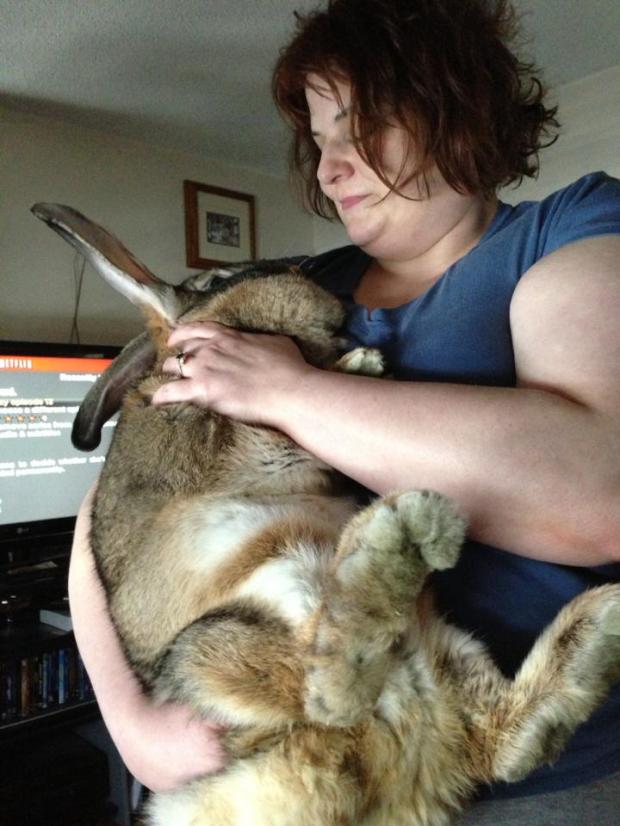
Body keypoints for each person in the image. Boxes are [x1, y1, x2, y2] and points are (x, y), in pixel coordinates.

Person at [68, 0, 620, 821]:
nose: (329, 169)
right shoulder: (290, 289)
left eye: (360, 127)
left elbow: (594, 495)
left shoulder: (569, 228)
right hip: (297, 751)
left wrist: (289, 390)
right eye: (322, 140)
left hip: (542, 777)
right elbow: (125, 493)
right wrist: (131, 718)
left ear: (456, 105)